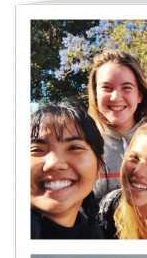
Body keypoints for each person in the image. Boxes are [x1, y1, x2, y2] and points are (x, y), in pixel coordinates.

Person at [88, 49, 147, 200]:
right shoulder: (83, 143)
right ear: (95, 94)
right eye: (106, 87)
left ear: (139, 95)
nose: (116, 97)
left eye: (126, 87)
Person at [31, 101, 106, 239]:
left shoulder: (93, 234)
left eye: (74, 148)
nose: (54, 163)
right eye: (36, 150)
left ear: (99, 167)